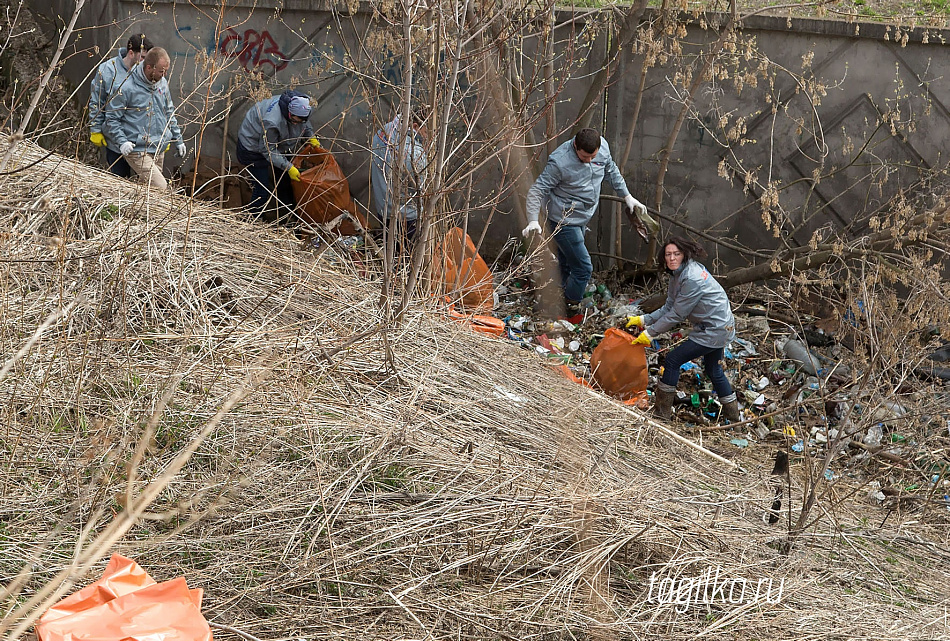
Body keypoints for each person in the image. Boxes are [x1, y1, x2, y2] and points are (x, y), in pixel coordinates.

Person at [522, 127, 647, 310]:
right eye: (583, 158)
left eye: (592, 157)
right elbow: (537, 190)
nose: (588, 161)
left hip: (583, 216)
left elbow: (611, 170)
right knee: (583, 268)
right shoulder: (560, 162)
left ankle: (551, 296)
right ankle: (570, 305)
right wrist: (533, 219)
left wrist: (627, 196)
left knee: (566, 261)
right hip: (563, 220)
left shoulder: (602, 147)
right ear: (575, 146)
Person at [626, 236, 740, 422]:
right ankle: (735, 420)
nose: (672, 258)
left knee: (672, 361)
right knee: (713, 369)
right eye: (668, 254)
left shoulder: (692, 278)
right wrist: (644, 319)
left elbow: (676, 315)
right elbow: (669, 306)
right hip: (716, 326)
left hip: (714, 329)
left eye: (676, 254)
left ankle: (661, 415)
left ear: (684, 255)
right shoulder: (678, 275)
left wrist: (650, 333)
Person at [103, 47, 185, 190]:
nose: (165, 75)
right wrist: (122, 141)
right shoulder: (126, 87)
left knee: (149, 192)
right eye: (161, 71)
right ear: (149, 68)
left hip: (158, 146)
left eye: (166, 70)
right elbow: (111, 118)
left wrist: (178, 139)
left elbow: (168, 111)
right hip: (137, 148)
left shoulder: (162, 83)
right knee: (160, 186)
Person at [236, 89, 319, 218]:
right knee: (262, 190)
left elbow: (304, 124)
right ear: (289, 113)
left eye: (300, 121)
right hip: (253, 149)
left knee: (285, 182)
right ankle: (252, 220)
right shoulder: (272, 121)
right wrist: (289, 167)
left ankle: (287, 216)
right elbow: (268, 149)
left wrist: (310, 136)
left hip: (277, 145)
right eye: (295, 121)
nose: (297, 123)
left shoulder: (303, 104)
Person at [88, 33, 153, 178]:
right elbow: (97, 101)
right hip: (115, 140)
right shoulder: (107, 70)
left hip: (140, 142)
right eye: (142, 57)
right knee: (119, 180)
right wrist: (95, 129)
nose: (145, 62)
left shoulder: (146, 73)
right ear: (131, 53)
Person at [370, 110, 428, 244]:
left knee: (390, 251)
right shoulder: (414, 153)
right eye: (427, 132)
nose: (429, 137)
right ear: (415, 127)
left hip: (383, 208)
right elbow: (422, 188)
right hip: (407, 216)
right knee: (407, 258)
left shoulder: (386, 129)